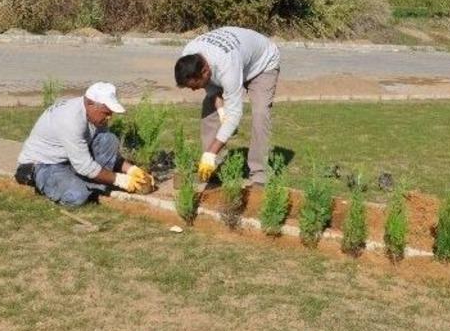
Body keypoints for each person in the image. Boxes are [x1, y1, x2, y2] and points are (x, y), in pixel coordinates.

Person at [15, 82, 153, 206]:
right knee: (77, 195)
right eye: (106, 112)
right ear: (90, 103)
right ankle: (46, 183)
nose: (109, 117)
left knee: (108, 139)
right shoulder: (70, 120)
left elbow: (101, 154)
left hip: (69, 160)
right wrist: (121, 180)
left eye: (111, 113)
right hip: (44, 164)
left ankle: (90, 181)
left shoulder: (95, 116)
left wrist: (132, 170)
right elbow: (85, 166)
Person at [174, 27, 280, 186]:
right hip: (237, 58)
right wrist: (222, 112)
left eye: (194, 86)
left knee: (260, 113)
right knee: (210, 111)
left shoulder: (227, 66)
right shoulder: (189, 54)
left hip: (263, 64)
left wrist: (212, 151)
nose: (194, 90)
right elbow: (212, 90)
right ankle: (211, 169)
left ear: (205, 71)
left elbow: (235, 114)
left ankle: (259, 175)